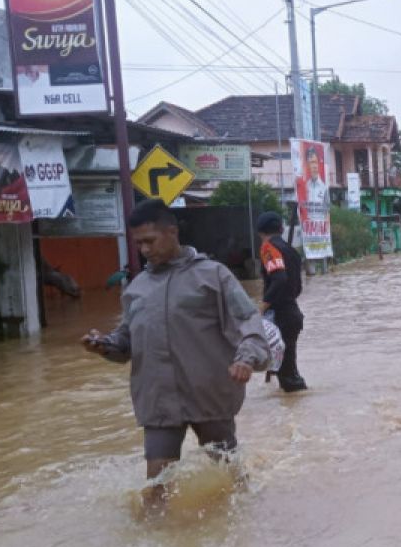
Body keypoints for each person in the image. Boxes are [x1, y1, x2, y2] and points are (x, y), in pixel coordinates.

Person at [81, 200, 270, 507]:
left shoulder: (213, 276)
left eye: (149, 241)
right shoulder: (137, 288)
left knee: (231, 475)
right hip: (159, 401)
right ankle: (157, 545)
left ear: (171, 232)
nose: (144, 249)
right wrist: (104, 345)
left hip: (208, 396)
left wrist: (245, 358)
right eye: (139, 243)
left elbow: (248, 320)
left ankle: (246, 521)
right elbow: (126, 341)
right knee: (156, 486)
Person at [256, 211, 307, 392]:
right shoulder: (291, 251)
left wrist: (262, 306)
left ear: (260, 232)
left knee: (288, 379)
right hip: (292, 313)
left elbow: (279, 279)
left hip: (280, 316)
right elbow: (297, 288)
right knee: (289, 373)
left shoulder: (268, 248)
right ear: (281, 228)